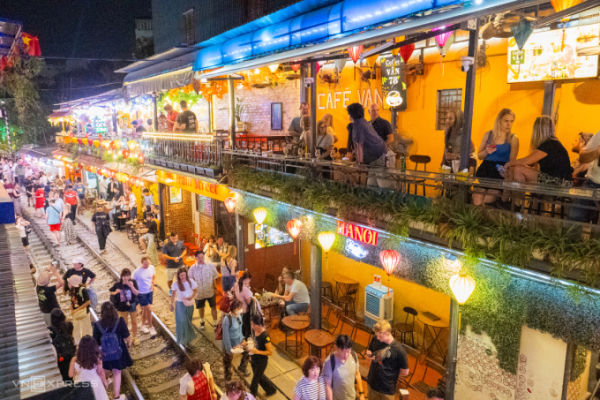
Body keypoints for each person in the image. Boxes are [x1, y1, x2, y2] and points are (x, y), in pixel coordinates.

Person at [505, 116, 572, 184]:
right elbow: (530, 163)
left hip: (560, 182)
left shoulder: (550, 144)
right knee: (515, 168)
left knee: (518, 170)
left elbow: (526, 161)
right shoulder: (552, 143)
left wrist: (508, 164)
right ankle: (512, 193)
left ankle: (516, 194)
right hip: (557, 180)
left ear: (537, 131)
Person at [473, 109, 519, 206]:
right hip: (485, 169)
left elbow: (512, 163)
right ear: (499, 121)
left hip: (500, 172)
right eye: (506, 121)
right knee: (477, 200)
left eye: (511, 121)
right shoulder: (488, 135)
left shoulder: (513, 138)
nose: (509, 124)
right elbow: (480, 156)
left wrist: (508, 184)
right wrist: (486, 151)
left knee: (488, 199)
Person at [93, 302, 133, 400]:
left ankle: (103, 390)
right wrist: (128, 346)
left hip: (105, 354)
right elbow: (127, 337)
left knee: (104, 371)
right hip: (118, 353)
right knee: (117, 372)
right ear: (114, 310)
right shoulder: (120, 321)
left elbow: (95, 342)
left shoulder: (97, 325)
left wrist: (99, 355)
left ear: (102, 312)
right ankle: (116, 396)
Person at [366, 319, 409, 400]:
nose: (377, 338)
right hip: (372, 384)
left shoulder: (399, 350)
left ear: (388, 333)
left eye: (380, 336)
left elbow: (405, 372)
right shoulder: (376, 339)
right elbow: (369, 350)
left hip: (386, 390)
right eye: (377, 335)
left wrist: (391, 372)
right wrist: (369, 354)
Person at [347, 103, 387, 186]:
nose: (348, 116)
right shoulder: (363, 121)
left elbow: (359, 146)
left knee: (383, 184)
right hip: (378, 155)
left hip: (376, 157)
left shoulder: (358, 125)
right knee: (371, 184)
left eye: (348, 113)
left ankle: (390, 198)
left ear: (352, 114)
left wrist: (359, 163)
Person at [569, 130, 600, 222]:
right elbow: (582, 157)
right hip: (592, 184)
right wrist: (596, 152)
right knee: (574, 216)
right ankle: (572, 236)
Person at [323, 335, 365, 400]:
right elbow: (327, 385)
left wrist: (361, 393)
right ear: (336, 348)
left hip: (352, 397)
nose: (346, 355)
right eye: (342, 351)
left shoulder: (354, 355)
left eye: (348, 351)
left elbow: (357, 374)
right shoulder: (329, 362)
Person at [68, 335, 110, 400]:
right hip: (96, 384)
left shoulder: (74, 359)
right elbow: (100, 372)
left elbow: (70, 375)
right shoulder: (97, 358)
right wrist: (105, 382)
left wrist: (77, 372)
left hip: (82, 385)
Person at [188, 250, 219, 330]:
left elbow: (214, 277)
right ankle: (202, 321)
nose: (201, 259)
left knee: (213, 307)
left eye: (202, 257)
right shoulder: (192, 268)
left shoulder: (210, 266)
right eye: (199, 257)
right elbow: (190, 282)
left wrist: (215, 288)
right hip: (199, 293)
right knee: (201, 308)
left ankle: (215, 323)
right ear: (195, 258)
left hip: (210, 291)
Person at [249, 314, 277, 397]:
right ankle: (271, 390)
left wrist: (257, 351)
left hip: (261, 362)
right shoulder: (254, 330)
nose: (252, 326)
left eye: (253, 324)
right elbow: (254, 340)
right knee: (260, 377)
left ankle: (252, 397)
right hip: (254, 359)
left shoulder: (265, 336)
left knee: (254, 382)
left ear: (259, 325)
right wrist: (248, 343)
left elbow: (270, 352)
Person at [109, 268, 139, 345]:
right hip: (122, 306)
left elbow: (137, 293)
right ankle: (126, 338)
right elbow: (111, 292)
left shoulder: (133, 282)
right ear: (121, 276)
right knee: (124, 323)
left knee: (134, 321)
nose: (126, 278)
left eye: (128, 276)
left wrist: (132, 286)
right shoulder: (117, 285)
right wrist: (116, 292)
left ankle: (135, 337)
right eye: (124, 276)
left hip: (132, 304)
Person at [222, 299, 250, 381]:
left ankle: (242, 367)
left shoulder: (239, 317)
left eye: (240, 307)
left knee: (248, 350)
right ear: (233, 309)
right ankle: (227, 374)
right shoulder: (227, 320)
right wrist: (229, 349)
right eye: (238, 308)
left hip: (238, 342)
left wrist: (242, 340)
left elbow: (240, 331)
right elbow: (225, 337)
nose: (240, 310)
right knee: (227, 361)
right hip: (230, 344)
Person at [170, 267, 198, 347]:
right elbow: (173, 294)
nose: (183, 277)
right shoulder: (175, 284)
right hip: (180, 304)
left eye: (184, 275)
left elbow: (195, 290)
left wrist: (191, 297)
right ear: (178, 276)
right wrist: (171, 304)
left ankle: (188, 340)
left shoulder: (191, 281)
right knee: (183, 322)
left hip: (189, 304)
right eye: (181, 276)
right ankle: (183, 340)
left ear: (186, 275)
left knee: (188, 322)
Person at [49, 308, 76, 383]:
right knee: (71, 374)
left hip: (61, 358)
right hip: (71, 355)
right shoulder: (70, 325)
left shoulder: (51, 330)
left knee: (64, 377)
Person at [133, 256, 157, 336]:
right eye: (146, 263)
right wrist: (135, 292)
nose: (147, 265)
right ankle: (151, 327)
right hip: (141, 293)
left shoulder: (151, 267)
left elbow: (153, 276)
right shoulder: (137, 272)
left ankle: (143, 326)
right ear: (142, 262)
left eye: (148, 263)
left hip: (149, 292)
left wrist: (153, 283)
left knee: (145, 310)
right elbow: (132, 282)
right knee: (149, 309)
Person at [67, 274, 92, 344]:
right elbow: (72, 301)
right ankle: (78, 343)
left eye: (69, 282)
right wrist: (72, 309)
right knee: (76, 329)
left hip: (83, 312)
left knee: (86, 329)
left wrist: (77, 310)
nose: (68, 284)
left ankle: (87, 343)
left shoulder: (82, 290)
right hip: (76, 312)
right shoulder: (72, 290)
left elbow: (88, 302)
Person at [36, 262, 63, 326]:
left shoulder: (38, 287)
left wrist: (50, 268)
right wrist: (55, 272)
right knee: (55, 325)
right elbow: (61, 283)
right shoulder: (48, 290)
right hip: (51, 312)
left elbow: (44, 275)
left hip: (44, 310)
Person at [236, 272, 261, 339]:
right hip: (246, 312)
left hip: (239, 310)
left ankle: (242, 342)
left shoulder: (238, 285)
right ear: (247, 279)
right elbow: (249, 301)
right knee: (247, 330)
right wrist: (253, 299)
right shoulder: (245, 289)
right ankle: (246, 343)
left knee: (241, 328)